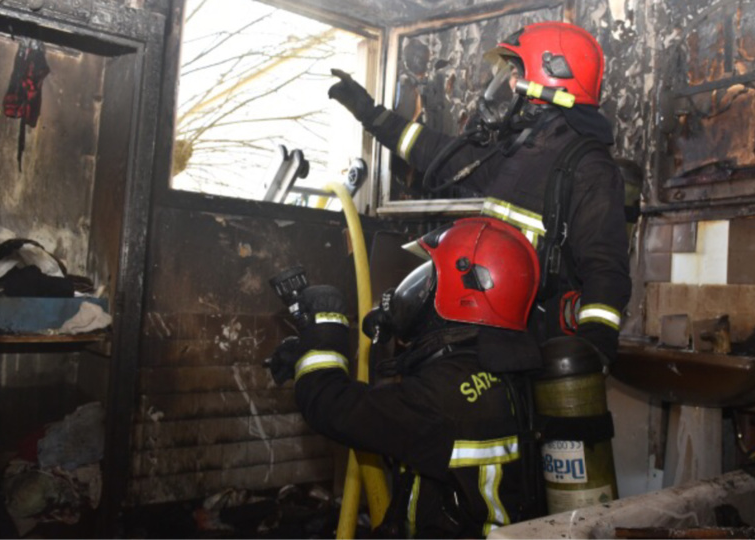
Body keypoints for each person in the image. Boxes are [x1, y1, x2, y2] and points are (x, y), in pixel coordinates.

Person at [328, 21, 631, 364]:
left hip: (538, 352)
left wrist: (592, 352)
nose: (511, 84)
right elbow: (436, 153)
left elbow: (605, 270)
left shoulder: (589, 169)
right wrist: (369, 113)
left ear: (552, 82)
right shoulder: (519, 153)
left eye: (518, 73)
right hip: (494, 339)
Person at [268, 217, 542, 538]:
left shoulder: (442, 397)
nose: (416, 292)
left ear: (463, 290)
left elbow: (330, 405)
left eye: (428, 281)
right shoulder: (510, 369)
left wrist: (326, 332)